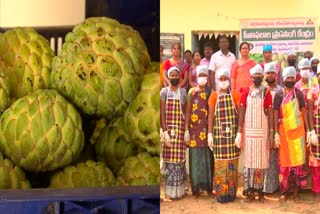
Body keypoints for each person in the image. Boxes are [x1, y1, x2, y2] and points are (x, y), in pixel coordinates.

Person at [235, 64, 273, 203]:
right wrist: (239, 130)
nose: (257, 77)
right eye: (254, 75)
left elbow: (269, 112)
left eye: (259, 75)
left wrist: (271, 133)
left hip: (262, 133)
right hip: (249, 133)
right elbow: (242, 110)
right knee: (249, 164)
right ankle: (250, 192)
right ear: (251, 77)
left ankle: (260, 192)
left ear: (262, 76)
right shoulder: (246, 91)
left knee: (262, 164)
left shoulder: (266, 92)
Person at [274, 66, 309, 203]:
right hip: (284, 134)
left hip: (298, 133)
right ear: (283, 78)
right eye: (287, 77)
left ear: (295, 78)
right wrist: (275, 132)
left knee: (297, 163)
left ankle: (296, 192)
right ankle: (284, 192)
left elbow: (304, 111)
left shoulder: (299, 94)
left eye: (292, 78)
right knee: (284, 164)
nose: (290, 80)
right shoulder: (279, 95)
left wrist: (308, 130)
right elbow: (276, 113)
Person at [207, 68, 241, 203]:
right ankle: (221, 194)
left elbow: (239, 115)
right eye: (220, 79)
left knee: (232, 165)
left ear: (228, 80)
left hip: (232, 138)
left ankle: (232, 194)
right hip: (219, 138)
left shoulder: (235, 95)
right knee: (220, 166)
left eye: (225, 79)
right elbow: (210, 116)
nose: (223, 81)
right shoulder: (214, 96)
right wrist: (209, 133)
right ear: (217, 80)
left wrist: (239, 132)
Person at [185, 65, 213, 197]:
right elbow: (188, 111)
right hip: (194, 130)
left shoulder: (210, 92)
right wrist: (186, 130)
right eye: (200, 75)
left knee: (207, 159)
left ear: (207, 77)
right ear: (196, 76)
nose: (202, 77)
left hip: (206, 129)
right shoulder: (191, 92)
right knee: (195, 159)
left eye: (204, 75)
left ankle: (208, 188)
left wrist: (210, 133)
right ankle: (195, 189)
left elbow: (212, 112)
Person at [160, 66, 187, 200]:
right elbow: (162, 113)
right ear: (169, 77)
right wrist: (164, 131)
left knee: (179, 161)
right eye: (172, 75)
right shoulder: (164, 92)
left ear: (179, 77)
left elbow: (186, 112)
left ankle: (180, 191)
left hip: (180, 130)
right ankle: (170, 192)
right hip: (169, 131)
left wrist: (186, 130)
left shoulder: (183, 92)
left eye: (177, 75)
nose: (175, 77)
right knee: (170, 161)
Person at [263, 62, 282, 194]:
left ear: (276, 74)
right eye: (268, 73)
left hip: (277, 126)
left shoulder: (280, 90)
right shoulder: (261, 89)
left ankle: (274, 187)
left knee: (275, 157)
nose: (270, 75)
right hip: (262, 125)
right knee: (264, 155)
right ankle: (263, 187)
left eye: (272, 73)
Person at [307, 62, 320, 203]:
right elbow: (310, 112)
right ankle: (316, 191)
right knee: (316, 164)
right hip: (316, 128)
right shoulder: (313, 91)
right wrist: (311, 131)